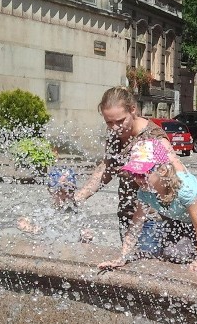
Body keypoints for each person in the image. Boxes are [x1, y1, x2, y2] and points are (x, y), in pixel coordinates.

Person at [98, 138, 197, 272]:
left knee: (178, 254)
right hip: (181, 217)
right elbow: (136, 225)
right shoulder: (145, 193)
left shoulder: (184, 189)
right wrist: (122, 257)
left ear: (162, 170)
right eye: (134, 173)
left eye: (143, 173)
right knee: (159, 250)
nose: (138, 179)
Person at [74, 87, 183, 241]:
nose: (115, 128)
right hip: (127, 215)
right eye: (109, 122)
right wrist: (78, 198)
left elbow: (179, 173)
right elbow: (107, 167)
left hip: (153, 219)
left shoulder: (154, 137)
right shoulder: (115, 134)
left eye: (120, 121)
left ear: (133, 110)